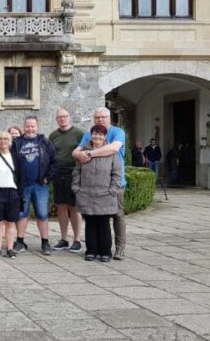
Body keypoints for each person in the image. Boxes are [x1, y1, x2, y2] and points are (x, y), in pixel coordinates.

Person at [73, 107, 128, 260]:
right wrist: (79, 154)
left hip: (114, 186)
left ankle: (119, 249)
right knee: (91, 219)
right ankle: (93, 249)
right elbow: (76, 153)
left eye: (103, 117)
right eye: (97, 117)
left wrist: (89, 153)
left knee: (117, 216)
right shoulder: (89, 132)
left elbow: (113, 148)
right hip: (90, 189)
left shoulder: (117, 132)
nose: (100, 119)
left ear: (109, 118)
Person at [15, 116, 57, 255]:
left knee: (42, 214)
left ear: (37, 126)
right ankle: (20, 242)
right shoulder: (17, 143)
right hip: (23, 185)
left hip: (40, 185)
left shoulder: (45, 142)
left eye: (33, 126)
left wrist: (47, 179)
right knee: (22, 214)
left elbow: (54, 162)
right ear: (24, 127)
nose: (30, 128)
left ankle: (45, 243)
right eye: (27, 126)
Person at [49, 108, 85, 253]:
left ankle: (77, 240)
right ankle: (64, 239)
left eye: (65, 116)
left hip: (74, 174)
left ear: (69, 118)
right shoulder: (53, 135)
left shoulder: (79, 133)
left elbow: (85, 150)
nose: (62, 119)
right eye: (59, 117)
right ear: (56, 120)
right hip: (58, 174)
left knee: (74, 207)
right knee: (61, 207)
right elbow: (51, 154)